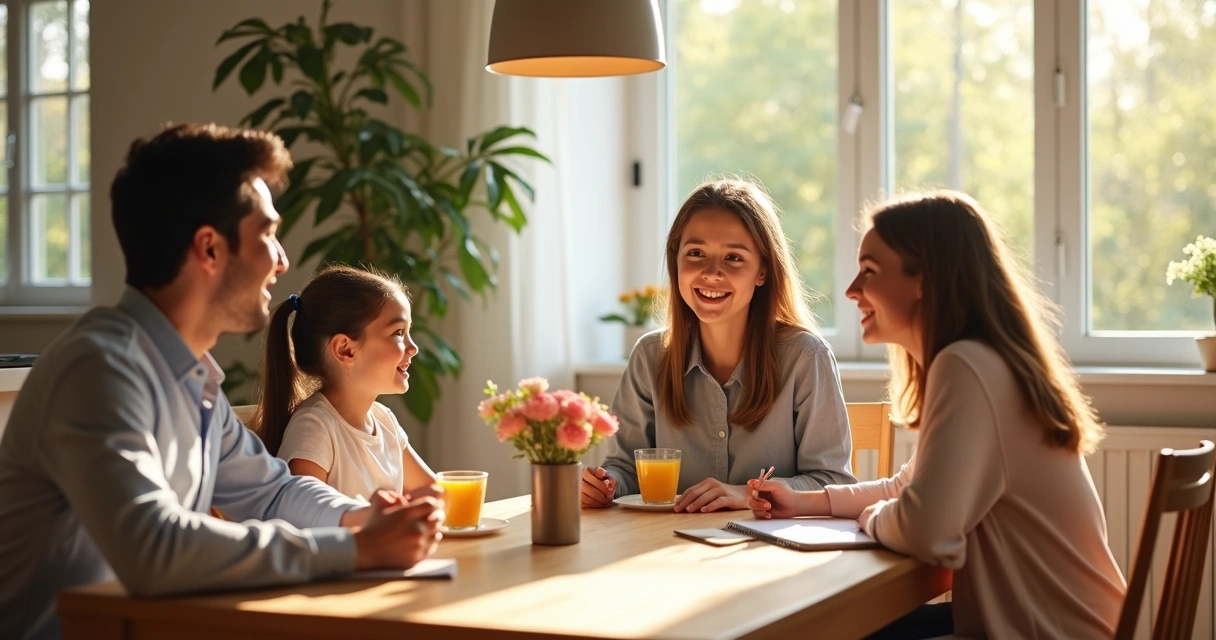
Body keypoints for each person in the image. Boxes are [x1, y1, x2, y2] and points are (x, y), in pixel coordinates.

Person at [0, 124, 444, 640]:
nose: (282, 261)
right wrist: (354, 548)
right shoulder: (98, 369)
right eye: (267, 234)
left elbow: (273, 492)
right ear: (209, 249)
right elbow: (153, 548)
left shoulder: (192, 378)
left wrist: (364, 519)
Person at [748, 191, 1126, 638]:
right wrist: (804, 502)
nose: (852, 290)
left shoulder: (967, 365)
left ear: (924, 280)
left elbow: (926, 531)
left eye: (870, 271)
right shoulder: (983, 362)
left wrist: (874, 516)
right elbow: (905, 488)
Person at [582, 179, 856, 513]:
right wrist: (607, 484)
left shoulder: (806, 358)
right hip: (665, 541)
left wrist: (748, 495)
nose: (712, 273)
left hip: (765, 544)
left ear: (762, 271)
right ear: (676, 261)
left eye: (734, 257)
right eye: (696, 253)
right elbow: (626, 469)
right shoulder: (649, 356)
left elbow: (832, 482)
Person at [252, 265, 436, 500]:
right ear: (345, 349)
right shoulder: (314, 428)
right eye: (398, 332)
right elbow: (303, 514)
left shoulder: (384, 420)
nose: (414, 347)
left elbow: (436, 493)